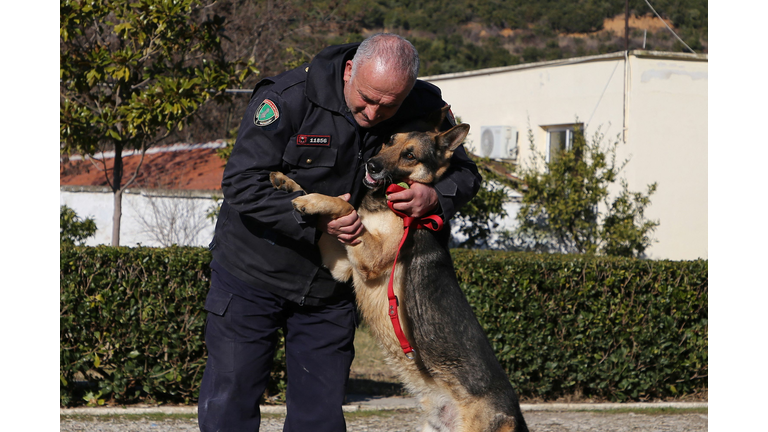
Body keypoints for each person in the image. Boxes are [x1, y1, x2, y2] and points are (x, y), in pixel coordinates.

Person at [198, 33, 482, 432]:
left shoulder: (425, 106)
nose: (373, 112)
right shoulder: (288, 97)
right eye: (366, 98)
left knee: (320, 419)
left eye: (389, 106)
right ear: (349, 71)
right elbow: (242, 182)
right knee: (229, 404)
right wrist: (314, 218)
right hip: (253, 273)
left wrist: (434, 197)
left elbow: (467, 175)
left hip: (330, 291)